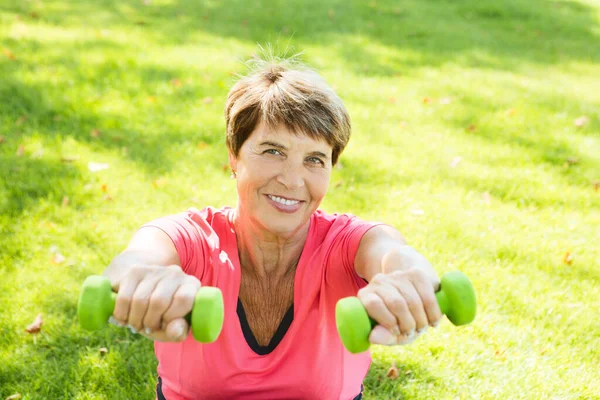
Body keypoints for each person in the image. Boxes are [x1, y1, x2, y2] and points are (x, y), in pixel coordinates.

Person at [103, 56, 442, 400]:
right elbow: (140, 255)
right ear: (234, 157)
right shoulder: (191, 239)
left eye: (314, 159)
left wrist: (409, 275)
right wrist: (141, 277)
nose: (293, 180)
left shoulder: (348, 243)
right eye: (273, 151)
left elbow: (392, 253)